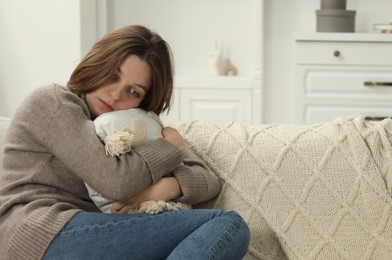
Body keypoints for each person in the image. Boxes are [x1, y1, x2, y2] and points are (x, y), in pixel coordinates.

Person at [0, 24, 250, 259]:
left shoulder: (130, 127)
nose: (116, 94)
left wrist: (165, 188)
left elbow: (208, 180)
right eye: (112, 75)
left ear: (142, 103)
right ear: (98, 63)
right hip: (37, 233)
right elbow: (115, 182)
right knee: (229, 226)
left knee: (228, 228)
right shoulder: (53, 103)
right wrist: (171, 147)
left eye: (134, 92)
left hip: (89, 230)